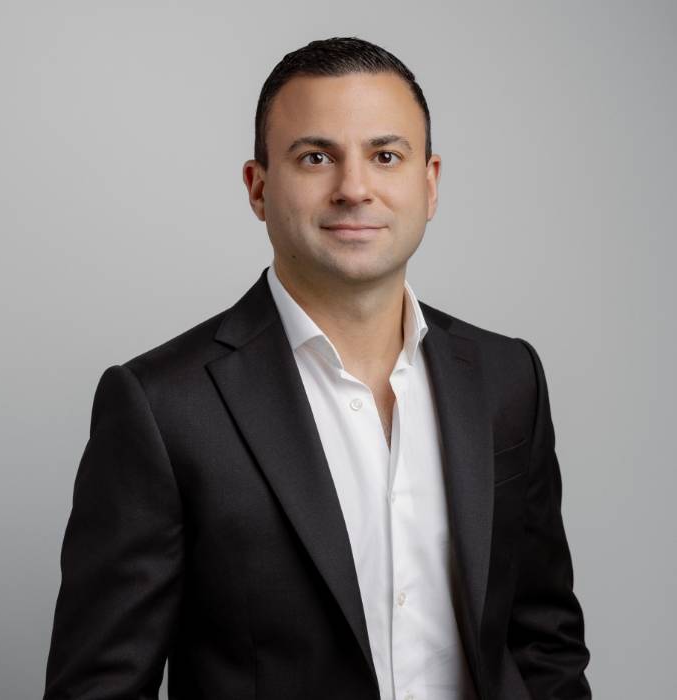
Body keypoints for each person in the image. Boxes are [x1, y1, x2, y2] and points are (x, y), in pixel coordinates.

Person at [43, 36, 591, 700]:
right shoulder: (162, 407)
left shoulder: (507, 378)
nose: (354, 189)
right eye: (315, 157)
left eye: (385, 156)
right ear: (258, 187)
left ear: (429, 184)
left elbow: (544, 643)